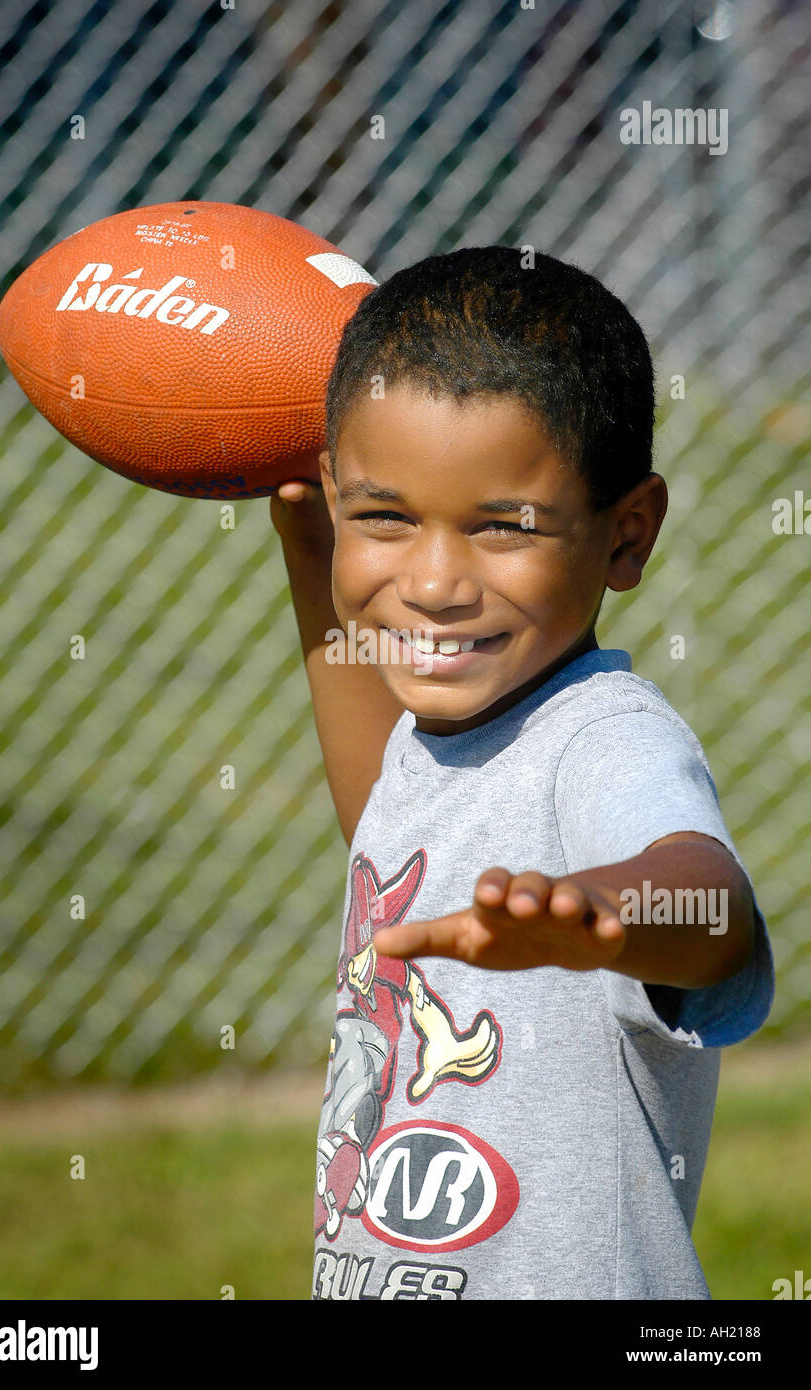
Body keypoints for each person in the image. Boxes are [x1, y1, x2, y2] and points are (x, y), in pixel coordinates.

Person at [269, 246, 775, 1301]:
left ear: (627, 536)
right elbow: (388, 818)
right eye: (386, 517)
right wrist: (311, 555)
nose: (437, 582)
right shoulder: (439, 725)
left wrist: (594, 908)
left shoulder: (606, 738)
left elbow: (713, 903)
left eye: (504, 526)